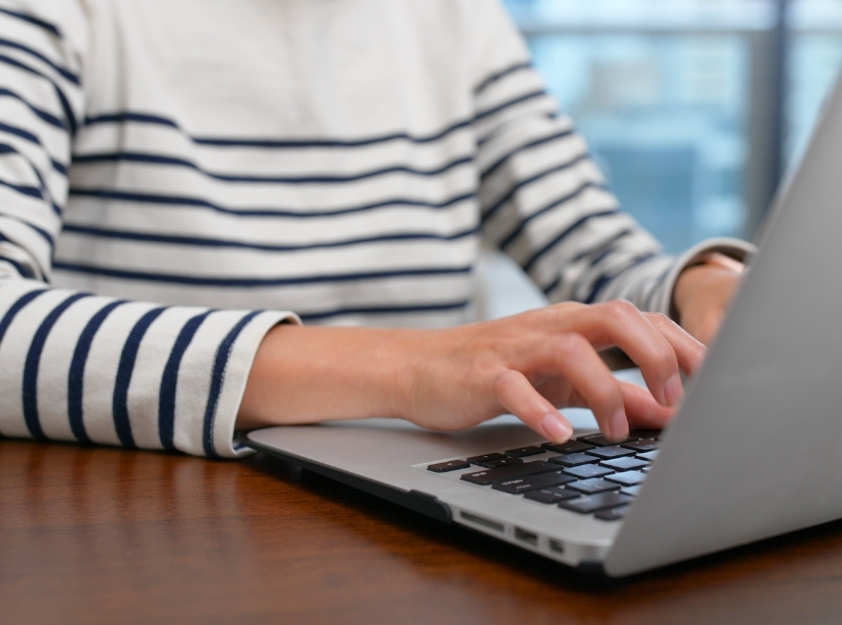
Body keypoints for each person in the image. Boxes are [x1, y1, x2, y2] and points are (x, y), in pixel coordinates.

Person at [0, 0, 752, 458]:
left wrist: (697, 289)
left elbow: (585, 243)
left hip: (430, 495)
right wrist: (406, 368)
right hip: (173, 503)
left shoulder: (452, 15)